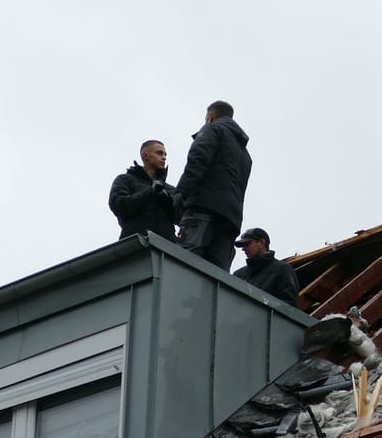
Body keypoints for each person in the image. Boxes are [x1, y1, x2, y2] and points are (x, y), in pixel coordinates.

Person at [175, 100, 252, 270]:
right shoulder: (245, 155)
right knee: (217, 275)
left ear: (210, 117)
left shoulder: (212, 129)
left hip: (203, 208)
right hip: (230, 219)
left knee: (184, 263)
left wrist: (181, 193)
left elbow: (197, 162)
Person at [107, 140, 177, 241]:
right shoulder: (125, 179)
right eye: (159, 153)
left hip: (167, 248)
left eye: (165, 154)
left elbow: (181, 217)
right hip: (135, 245)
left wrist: (165, 198)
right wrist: (151, 192)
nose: (164, 157)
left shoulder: (169, 188)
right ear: (145, 156)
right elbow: (118, 205)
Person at [232, 228, 301, 308]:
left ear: (262, 242)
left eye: (247, 244)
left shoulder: (282, 269)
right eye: (243, 246)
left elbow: (290, 306)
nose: (243, 249)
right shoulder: (238, 274)